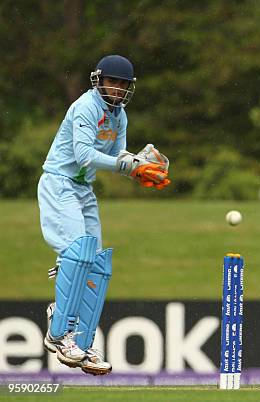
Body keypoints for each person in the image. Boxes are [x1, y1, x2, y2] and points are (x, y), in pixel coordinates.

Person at [37, 55, 171, 375]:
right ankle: (58, 331)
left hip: (83, 190)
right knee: (78, 254)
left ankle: (81, 343)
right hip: (60, 183)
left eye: (124, 84)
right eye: (113, 82)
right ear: (99, 81)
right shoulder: (86, 107)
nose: (118, 89)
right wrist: (127, 165)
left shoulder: (119, 115)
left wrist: (138, 166)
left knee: (97, 264)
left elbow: (115, 157)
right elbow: (84, 155)